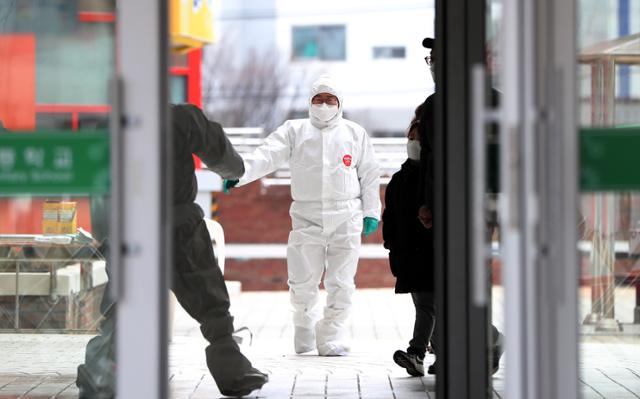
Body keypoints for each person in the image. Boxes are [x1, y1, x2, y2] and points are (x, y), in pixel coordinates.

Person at [76, 104, 268, 398]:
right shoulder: (179, 116)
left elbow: (98, 184)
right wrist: (236, 171)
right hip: (179, 227)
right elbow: (217, 148)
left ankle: (100, 374)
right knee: (210, 303)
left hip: (130, 230)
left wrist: (105, 234)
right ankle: (233, 372)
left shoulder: (110, 125)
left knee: (122, 307)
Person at [224, 75, 381, 357]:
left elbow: (369, 174)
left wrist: (371, 211)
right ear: (309, 102)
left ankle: (331, 335)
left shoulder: (354, 133)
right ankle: (305, 333)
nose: (323, 105)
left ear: (339, 103)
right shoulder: (295, 131)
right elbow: (267, 154)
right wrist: (239, 173)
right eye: (318, 100)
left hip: (346, 215)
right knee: (302, 279)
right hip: (306, 215)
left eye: (330, 100)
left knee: (342, 281)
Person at [416, 37, 504, 375]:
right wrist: (427, 202)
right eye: (431, 59)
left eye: (438, 58)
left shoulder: (494, 101)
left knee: (470, 282)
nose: (434, 65)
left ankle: (480, 346)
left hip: (481, 208)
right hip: (443, 208)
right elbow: (429, 158)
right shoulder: (434, 106)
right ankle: (482, 343)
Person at [383, 111, 436, 377]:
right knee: (426, 305)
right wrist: (391, 245)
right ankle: (439, 349)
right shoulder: (398, 180)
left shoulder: (437, 179)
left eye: (419, 138)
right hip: (409, 257)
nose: (413, 142)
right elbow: (389, 217)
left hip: (432, 254)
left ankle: (416, 353)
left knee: (427, 304)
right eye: (410, 137)